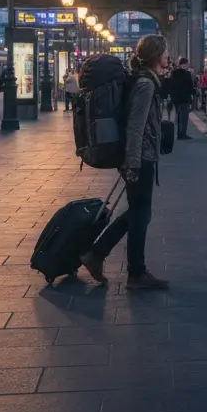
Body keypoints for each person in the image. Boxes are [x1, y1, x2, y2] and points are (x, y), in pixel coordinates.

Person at [79, 34, 169, 290]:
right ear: (155, 55)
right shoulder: (145, 84)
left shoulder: (145, 80)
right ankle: (133, 272)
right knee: (141, 214)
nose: (168, 55)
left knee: (139, 212)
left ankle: (99, 256)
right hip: (140, 157)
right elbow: (135, 126)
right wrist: (133, 163)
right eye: (165, 51)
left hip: (138, 156)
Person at [167, 57, 197, 139]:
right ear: (183, 64)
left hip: (176, 99)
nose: (188, 65)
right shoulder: (187, 74)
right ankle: (182, 134)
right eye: (187, 64)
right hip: (185, 98)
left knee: (179, 116)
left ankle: (178, 133)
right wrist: (194, 92)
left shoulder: (174, 73)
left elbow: (170, 85)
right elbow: (190, 86)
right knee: (184, 117)